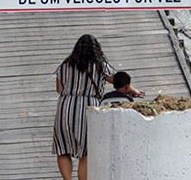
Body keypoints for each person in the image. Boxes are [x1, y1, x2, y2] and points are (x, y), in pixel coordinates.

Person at [52, 34, 140, 180]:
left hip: (64, 108)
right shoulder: (100, 65)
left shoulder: (65, 65)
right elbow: (117, 80)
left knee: (63, 149)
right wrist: (132, 89)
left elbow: (58, 88)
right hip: (87, 108)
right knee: (86, 152)